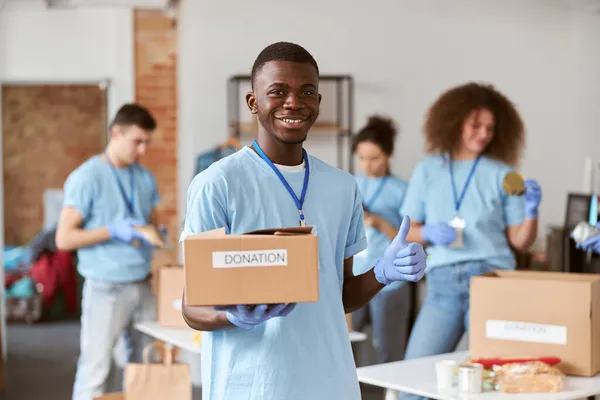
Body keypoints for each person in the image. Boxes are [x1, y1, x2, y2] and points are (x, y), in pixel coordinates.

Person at [180, 41, 427, 400]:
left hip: (332, 384)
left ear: (318, 102)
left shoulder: (343, 186)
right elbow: (192, 306)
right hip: (251, 387)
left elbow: (336, 295)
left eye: (306, 91)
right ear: (253, 103)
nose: (294, 102)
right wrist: (234, 318)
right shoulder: (217, 184)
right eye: (277, 92)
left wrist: (382, 273)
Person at [399, 82, 542, 399]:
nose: (484, 134)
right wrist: (428, 233)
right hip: (442, 286)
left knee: (495, 381)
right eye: (476, 125)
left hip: (492, 281)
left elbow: (521, 241)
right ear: (454, 121)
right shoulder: (428, 169)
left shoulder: (503, 173)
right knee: (412, 382)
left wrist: (532, 212)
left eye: (490, 128)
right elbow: (407, 231)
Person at [55, 103, 161, 400]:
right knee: (96, 371)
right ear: (116, 133)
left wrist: (155, 234)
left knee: (146, 370)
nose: (142, 150)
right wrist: (112, 230)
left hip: (143, 285)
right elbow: (64, 238)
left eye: (147, 143)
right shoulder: (87, 177)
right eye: (137, 141)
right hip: (105, 290)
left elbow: (153, 221)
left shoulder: (144, 177)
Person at [351, 115, 412, 364]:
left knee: (390, 350)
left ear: (388, 155)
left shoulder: (402, 190)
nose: (367, 165)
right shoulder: (352, 184)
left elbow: (410, 241)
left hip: (391, 282)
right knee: (344, 346)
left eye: (374, 158)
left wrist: (379, 222)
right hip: (354, 277)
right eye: (362, 158)